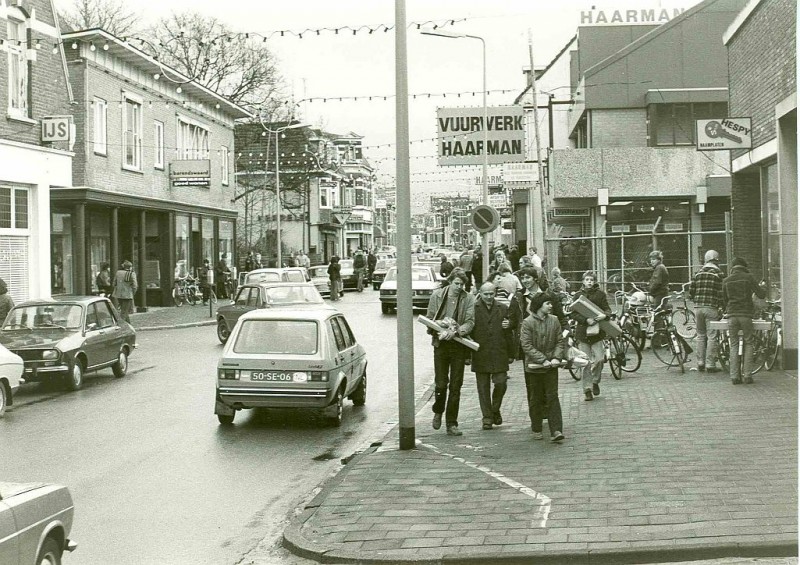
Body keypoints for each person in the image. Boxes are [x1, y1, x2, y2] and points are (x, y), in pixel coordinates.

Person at [426, 268, 475, 436]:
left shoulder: (468, 298)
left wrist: (456, 330)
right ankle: (438, 410)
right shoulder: (437, 295)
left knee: (456, 385)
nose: (459, 287)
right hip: (440, 344)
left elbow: (470, 321)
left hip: (458, 345)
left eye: (462, 284)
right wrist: (441, 326)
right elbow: (429, 318)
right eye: (456, 283)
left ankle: (452, 423)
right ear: (450, 281)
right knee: (441, 383)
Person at [520, 292, 566, 442]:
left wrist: (556, 357)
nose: (551, 306)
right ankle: (536, 427)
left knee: (552, 396)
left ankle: (556, 430)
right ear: (539, 305)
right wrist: (542, 359)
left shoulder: (555, 320)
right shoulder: (527, 322)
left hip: (551, 366)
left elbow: (560, 341)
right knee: (536, 397)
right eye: (548, 303)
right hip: (534, 367)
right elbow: (526, 345)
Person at [471, 282, 515, 430]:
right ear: (480, 293)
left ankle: (494, 409)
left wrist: (511, 353)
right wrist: (467, 355)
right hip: (480, 353)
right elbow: (468, 333)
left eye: (491, 293)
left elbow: (509, 332)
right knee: (483, 389)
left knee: (501, 383)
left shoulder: (502, 308)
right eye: (486, 294)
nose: (489, 297)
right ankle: (487, 418)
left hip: (499, 353)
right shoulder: (473, 309)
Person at [722, 257, 767, 384]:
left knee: (734, 344)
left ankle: (734, 377)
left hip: (732, 315)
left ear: (732, 268)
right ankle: (747, 375)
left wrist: (730, 308)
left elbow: (724, 300)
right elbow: (761, 295)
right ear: (744, 267)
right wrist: (763, 287)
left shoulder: (726, 280)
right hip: (746, 315)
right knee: (748, 342)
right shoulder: (749, 277)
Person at [571, 271, 611, 401]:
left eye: (591, 280)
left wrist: (605, 315)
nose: (589, 282)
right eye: (587, 280)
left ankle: (595, 381)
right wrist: (585, 320)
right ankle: (587, 390)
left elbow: (607, 309)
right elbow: (573, 313)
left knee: (599, 359)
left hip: (597, 333)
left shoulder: (600, 294)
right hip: (583, 333)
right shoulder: (577, 295)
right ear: (583, 281)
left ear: (594, 282)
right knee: (585, 363)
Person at [689, 250, 725, 373]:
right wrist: (721, 306)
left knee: (700, 335)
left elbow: (691, 291)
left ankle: (700, 362)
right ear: (715, 261)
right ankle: (710, 364)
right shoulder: (719, 273)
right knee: (712, 336)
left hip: (698, 308)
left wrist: (696, 299)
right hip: (711, 307)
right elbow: (721, 293)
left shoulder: (698, 273)